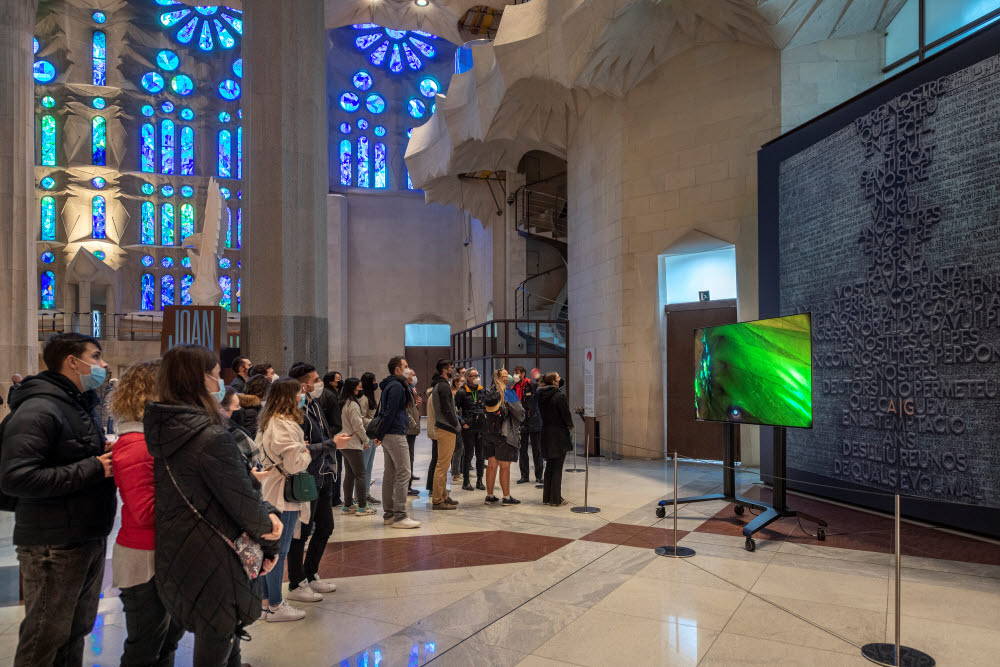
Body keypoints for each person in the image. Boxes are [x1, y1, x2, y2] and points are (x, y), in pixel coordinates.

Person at [144, 344, 283, 664]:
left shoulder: (164, 427)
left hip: (180, 544)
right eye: (216, 374)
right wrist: (268, 536)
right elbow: (241, 499)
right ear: (202, 379)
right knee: (218, 633)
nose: (221, 380)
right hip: (216, 551)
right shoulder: (210, 435)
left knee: (219, 630)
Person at [0, 333, 117, 667]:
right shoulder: (39, 408)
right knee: (45, 637)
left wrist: (100, 453)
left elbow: (65, 454)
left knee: (76, 631)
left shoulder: (77, 404)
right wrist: (93, 466)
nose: (103, 364)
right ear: (72, 361)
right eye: (95, 357)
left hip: (84, 534)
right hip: (54, 543)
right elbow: (16, 477)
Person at [111, 360, 187, 667]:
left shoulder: (152, 439)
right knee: (146, 645)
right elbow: (145, 511)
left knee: (169, 639)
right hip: (144, 558)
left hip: (165, 552)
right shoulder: (137, 444)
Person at [286, 362, 348, 603]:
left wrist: (332, 442)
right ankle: (296, 582)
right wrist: (331, 444)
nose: (318, 384)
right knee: (301, 532)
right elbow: (302, 448)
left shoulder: (314, 404)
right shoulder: (297, 411)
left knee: (325, 527)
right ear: (303, 384)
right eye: (315, 380)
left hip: (323, 474)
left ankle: (310, 574)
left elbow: (322, 435)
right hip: (306, 477)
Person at [256, 377, 314, 622]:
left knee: (272, 549)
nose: (302, 396)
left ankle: (267, 602)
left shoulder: (269, 421)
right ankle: (276, 605)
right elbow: (292, 462)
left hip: (273, 488)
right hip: (282, 492)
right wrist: (306, 455)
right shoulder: (283, 424)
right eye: (298, 392)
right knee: (279, 550)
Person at [375, 356, 421, 529]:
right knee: (404, 473)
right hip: (394, 433)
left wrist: (381, 433)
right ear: (398, 370)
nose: (409, 369)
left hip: (390, 433)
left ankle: (389, 514)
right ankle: (400, 516)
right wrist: (381, 433)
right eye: (406, 366)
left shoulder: (393, 384)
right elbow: (391, 412)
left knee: (391, 474)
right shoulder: (396, 386)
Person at [482, 369, 525, 505]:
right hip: (503, 434)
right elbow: (519, 412)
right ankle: (506, 497)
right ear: (503, 378)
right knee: (505, 466)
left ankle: (489, 496)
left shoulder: (488, 392)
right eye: (506, 375)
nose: (509, 377)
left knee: (491, 465)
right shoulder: (508, 392)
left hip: (489, 433)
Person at [339, 378, 375, 515]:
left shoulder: (343, 402)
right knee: (360, 474)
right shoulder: (353, 404)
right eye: (359, 387)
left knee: (349, 474)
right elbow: (357, 425)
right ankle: (362, 506)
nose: (361, 390)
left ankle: (348, 505)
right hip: (353, 444)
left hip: (344, 443)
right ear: (353, 388)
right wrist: (365, 440)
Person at [429, 360, 461, 510]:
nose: (452, 370)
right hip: (446, 429)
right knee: (442, 466)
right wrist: (455, 424)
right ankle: (437, 500)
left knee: (443, 465)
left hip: (444, 428)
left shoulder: (440, 384)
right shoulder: (443, 386)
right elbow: (447, 409)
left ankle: (443, 496)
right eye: (451, 368)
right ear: (444, 369)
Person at [538, 372, 573, 506]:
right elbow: (565, 415)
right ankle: (556, 499)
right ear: (554, 382)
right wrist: (569, 425)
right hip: (558, 434)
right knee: (557, 466)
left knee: (550, 467)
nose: (560, 379)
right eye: (558, 377)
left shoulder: (541, 395)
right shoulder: (559, 396)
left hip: (546, 433)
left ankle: (547, 498)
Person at [455, 368, 487, 491]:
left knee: (481, 455)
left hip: (480, 427)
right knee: (468, 455)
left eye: (478, 375)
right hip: (468, 427)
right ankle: (466, 482)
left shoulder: (481, 391)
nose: (477, 377)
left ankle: (480, 481)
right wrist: (462, 422)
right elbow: (455, 409)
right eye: (474, 375)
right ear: (468, 377)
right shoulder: (462, 392)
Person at [513, 366, 543, 484]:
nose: (515, 375)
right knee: (522, 450)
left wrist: (538, 377)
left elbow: (542, 388)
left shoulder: (532, 385)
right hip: (521, 422)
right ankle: (524, 475)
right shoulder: (514, 387)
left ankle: (539, 476)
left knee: (537, 450)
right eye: (514, 373)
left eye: (517, 373)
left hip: (534, 421)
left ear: (523, 374)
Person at [320, 371, 345, 507]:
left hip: (327, 436)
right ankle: (334, 498)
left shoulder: (334, 394)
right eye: (338, 379)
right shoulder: (330, 396)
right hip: (331, 437)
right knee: (335, 467)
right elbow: (336, 423)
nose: (340, 381)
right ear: (331, 382)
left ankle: (334, 497)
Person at [358, 372, 381, 507]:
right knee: (362, 468)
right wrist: (374, 422)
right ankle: (359, 497)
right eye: (374, 381)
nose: (376, 383)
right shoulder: (364, 399)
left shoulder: (370, 397)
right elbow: (360, 419)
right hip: (365, 435)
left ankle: (366, 494)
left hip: (372, 434)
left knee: (369, 466)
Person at [403, 369, 422, 497]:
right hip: (408, 429)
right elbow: (405, 410)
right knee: (407, 457)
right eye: (412, 375)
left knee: (411, 456)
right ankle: (406, 486)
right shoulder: (404, 390)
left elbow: (411, 408)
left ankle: (409, 481)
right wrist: (413, 423)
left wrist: (416, 405)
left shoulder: (411, 389)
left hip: (412, 429)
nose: (414, 377)